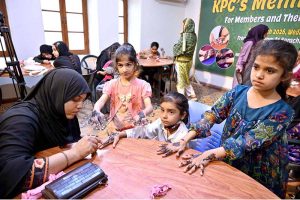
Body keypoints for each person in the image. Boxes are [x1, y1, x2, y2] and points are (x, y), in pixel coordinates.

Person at [157, 40, 298, 198]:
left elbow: (246, 142)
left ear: (284, 76)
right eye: (256, 67)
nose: (259, 75)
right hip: (228, 157)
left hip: (260, 171)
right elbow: (212, 115)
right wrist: (184, 139)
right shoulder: (238, 92)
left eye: (270, 70)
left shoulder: (283, 112)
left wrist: (207, 154)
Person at [0, 68, 101, 198]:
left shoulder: (61, 114)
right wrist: (75, 153)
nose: (80, 106)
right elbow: (12, 175)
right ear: (57, 93)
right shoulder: (19, 120)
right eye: (76, 99)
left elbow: (69, 142)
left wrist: (87, 143)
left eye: (83, 100)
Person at [92, 43, 153, 131]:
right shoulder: (112, 84)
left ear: (135, 64)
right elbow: (101, 101)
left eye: (128, 64)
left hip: (135, 128)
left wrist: (142, 114)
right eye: (120, 65)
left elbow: (149, 107)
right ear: (116, 66)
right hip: (115, 127)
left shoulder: (143, 85)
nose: (124, 69)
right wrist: (96, 109)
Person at [100, 92, 189, 148]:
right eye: (162, 110)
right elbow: (144, 131)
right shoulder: (161, 123)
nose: (164, 116)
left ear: (183, 115)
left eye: (171, 112)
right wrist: (120, 134)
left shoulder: (183, 136)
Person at [173, 18, 197, 101]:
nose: (182, 26)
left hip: (181, 62)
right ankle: (192, 95)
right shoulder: (194, 36)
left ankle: (181, 98)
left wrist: (175, 45)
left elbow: (178, 49)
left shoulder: (184, 36)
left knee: (181, 80)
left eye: (183, 25)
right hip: (189, 61)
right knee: (186, 78)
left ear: (186, 25)